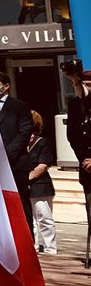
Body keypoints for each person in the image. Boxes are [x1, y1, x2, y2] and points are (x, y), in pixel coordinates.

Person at [0, 70, 34, 230]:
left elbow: (24, 132)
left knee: (20, 205)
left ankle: (27, 243)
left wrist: (6, 155)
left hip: (14, 164)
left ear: (6, 87)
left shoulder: (19, 107)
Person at [25, 110, 58, 255]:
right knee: (28, 219)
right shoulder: (19, 142)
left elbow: (43, 165)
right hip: (24, 187)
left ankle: (50, 248)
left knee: (44, 217)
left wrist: (27, 178)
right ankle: (32, 247)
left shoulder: (42, 143)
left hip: (40, 187)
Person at [66, 65, 91, 228]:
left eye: (88, 85)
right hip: (87, 168)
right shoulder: (75, 105)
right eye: (80, 85)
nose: (84, 89)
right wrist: (84, 158)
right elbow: (73, 136)